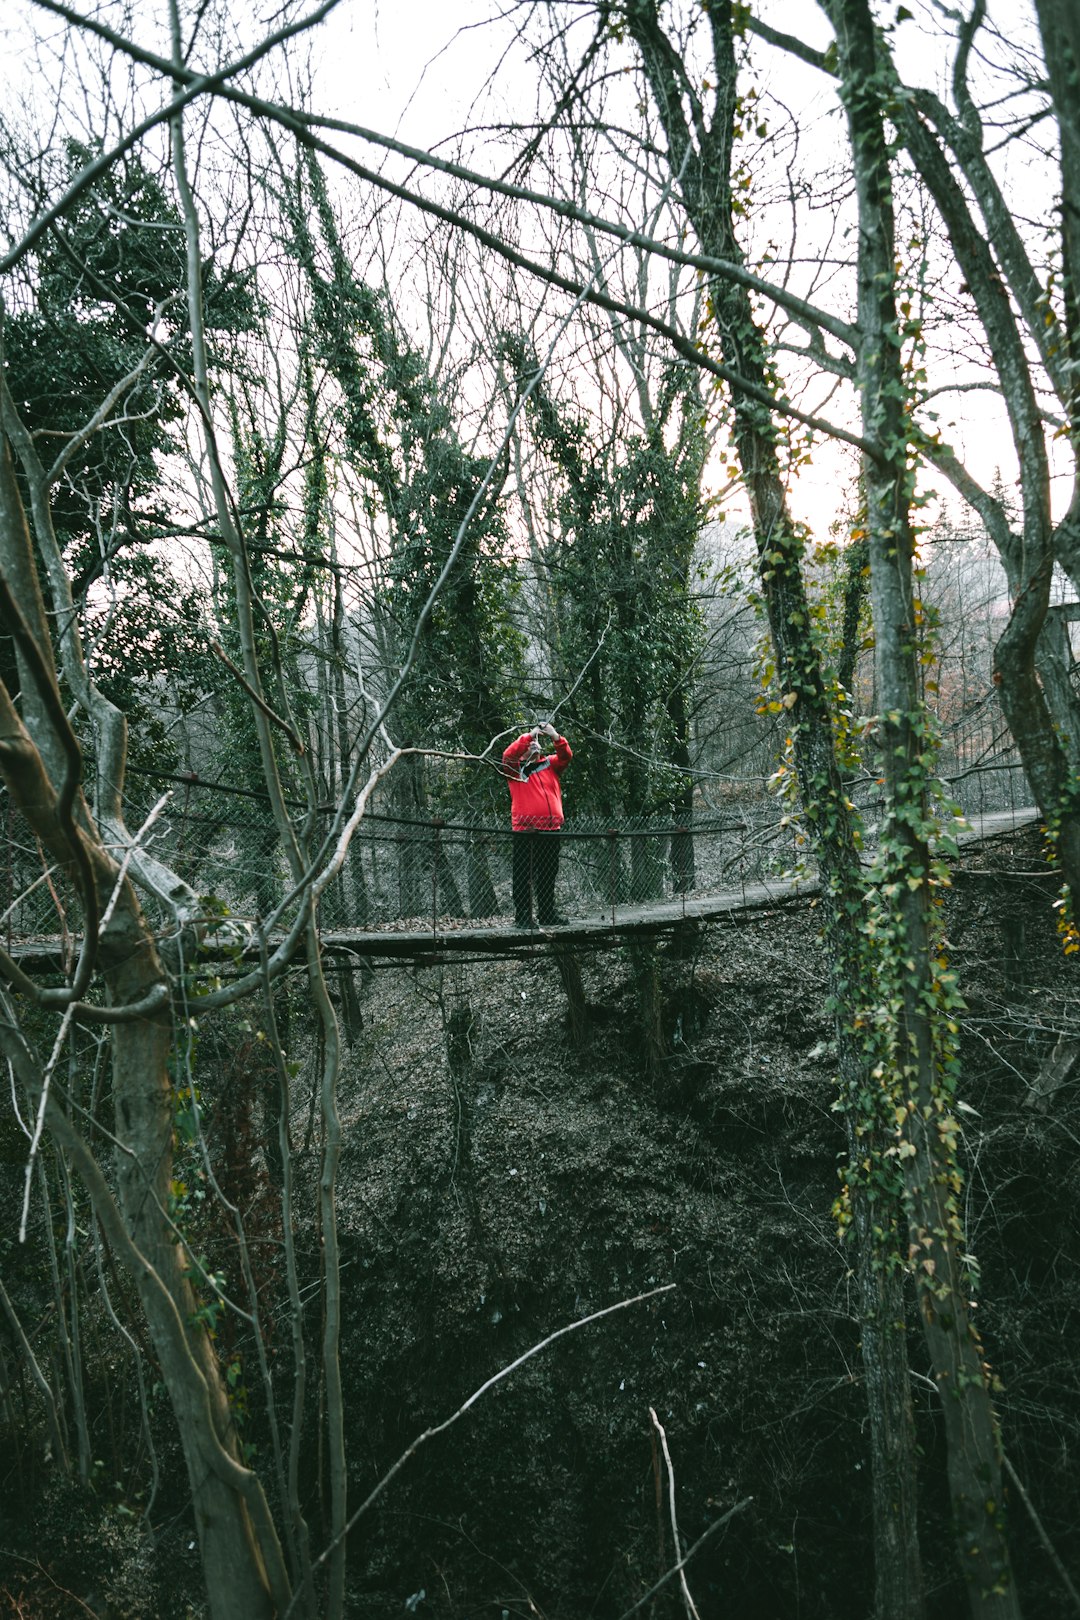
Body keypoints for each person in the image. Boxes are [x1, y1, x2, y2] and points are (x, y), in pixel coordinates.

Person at [502, 721, 572, 928]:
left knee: (548, 874)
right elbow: (508, 756)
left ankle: (547, 913)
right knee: (524, 876)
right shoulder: (514, 771)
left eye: (536, 742)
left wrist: (555, 736)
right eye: (531, 744)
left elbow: (566, 756)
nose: (534, 744)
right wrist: (529, 736)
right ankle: (523, 917)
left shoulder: (550, 764)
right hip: (527, 831)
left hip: (552, 830)